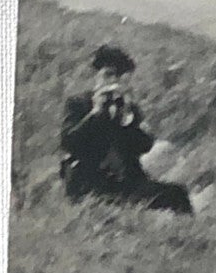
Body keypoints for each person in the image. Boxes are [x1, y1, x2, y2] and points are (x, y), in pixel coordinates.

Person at [59, 45, 192, 213]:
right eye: (108, 74)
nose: (113, 81)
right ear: (96, 76)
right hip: (89, 182)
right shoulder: (78, 103)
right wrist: (95, 114)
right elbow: (68, 142)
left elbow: (144, 146)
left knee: (177, 194)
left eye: (120, 77)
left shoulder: (127, 107)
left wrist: (129, 119)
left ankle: (184, 235)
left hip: (125, 183)